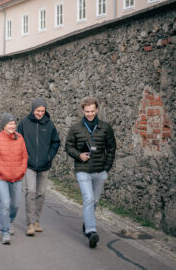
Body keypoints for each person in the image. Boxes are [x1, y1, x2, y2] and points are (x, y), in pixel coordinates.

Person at [65, 97, 116, 249]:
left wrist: (106, 168)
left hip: (100, 170)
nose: (89, 114)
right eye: (87, 111)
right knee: (88, 199)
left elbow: (111, 148)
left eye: (92, 111)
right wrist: (78, 155)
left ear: (97, 110)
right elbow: (68, 147)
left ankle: (87, 221)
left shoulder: (105, 128)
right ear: (82, 111)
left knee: (94, 201)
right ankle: (91, 231)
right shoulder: (75, 128)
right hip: (83, 169)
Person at [17, 97, 61, 236]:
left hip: (44, 165)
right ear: (33, 109)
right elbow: (17, 140)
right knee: (31, 192)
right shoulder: (24, 123)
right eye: (37, 110)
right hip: (29, 165)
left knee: (41, 194)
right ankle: (30, 223)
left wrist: (49, 157)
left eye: (42, 110)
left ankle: (36, 221)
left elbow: (56, 142)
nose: (40, 113)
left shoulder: (49, 125)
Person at [0, 113, 28, 245]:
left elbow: (25, 156)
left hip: (17, 177)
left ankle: (10, 222)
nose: (12, 126)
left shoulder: (20, 138)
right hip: (0, 178)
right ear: (4, 125)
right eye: (10, 124)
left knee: (15, 204)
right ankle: (5, 232)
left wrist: (22, 170)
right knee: (5, 203)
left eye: (14, 123)